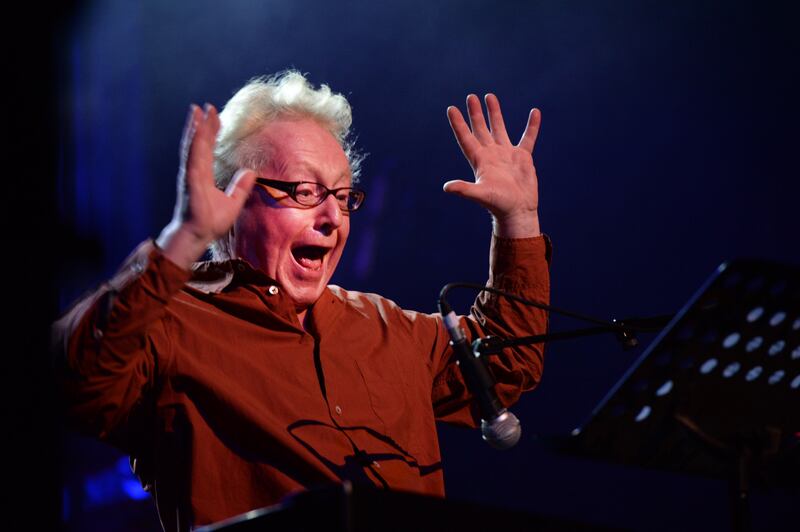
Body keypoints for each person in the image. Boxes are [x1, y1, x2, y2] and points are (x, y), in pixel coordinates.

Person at [52, 70, 551, 531]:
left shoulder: (387, 326)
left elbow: (507, 365)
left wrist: (518, 220)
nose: (333, 217)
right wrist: (183, 238)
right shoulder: (170, 323)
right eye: (306, 192)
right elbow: (72, 382)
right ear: (230, 199)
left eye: (344, 196)